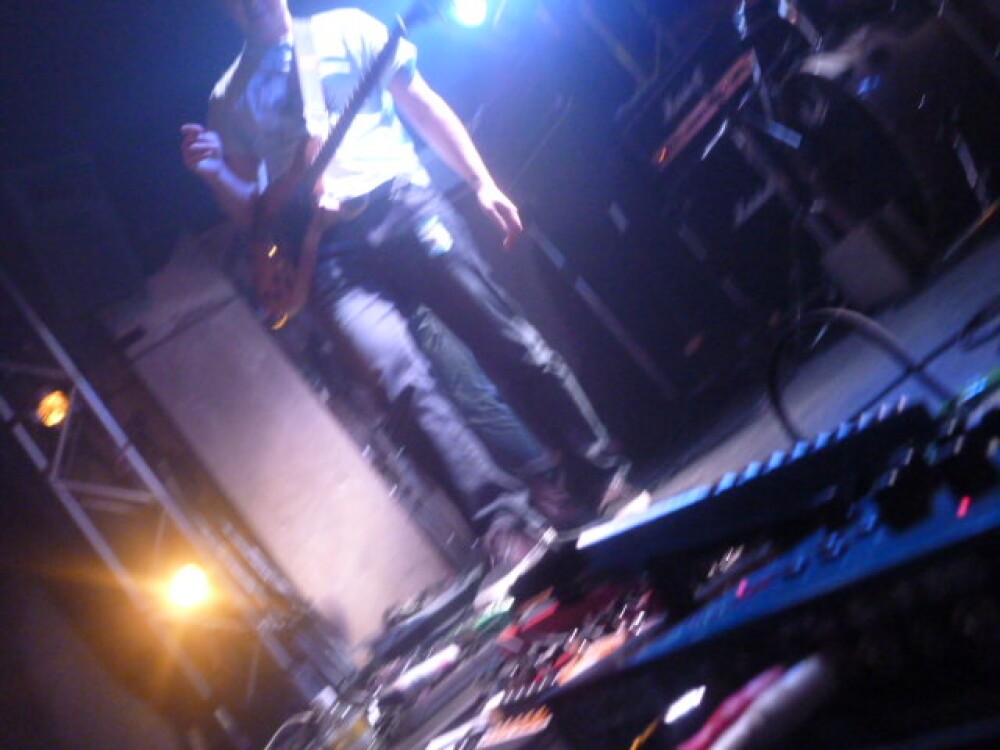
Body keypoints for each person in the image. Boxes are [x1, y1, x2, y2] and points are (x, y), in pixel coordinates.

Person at [181, 0, 631, 566]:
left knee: (502, 335)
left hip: (403, 205)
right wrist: (214, 174)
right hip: (330, 253)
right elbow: (256, 213)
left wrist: (481, 181)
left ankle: (600, 472)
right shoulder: (228, 97)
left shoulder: (348, 28)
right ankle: (502, 526)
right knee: (399, 383)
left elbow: (422, 104)